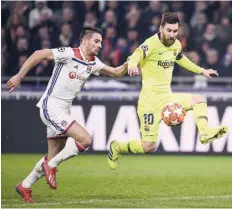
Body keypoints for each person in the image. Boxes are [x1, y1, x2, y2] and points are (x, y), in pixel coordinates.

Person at [7, 26, 128, 202]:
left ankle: (24, 186)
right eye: (96, 41)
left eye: (101, 42)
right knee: (85, 139)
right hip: (51, 106)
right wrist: (19, 76)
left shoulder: (94, 63)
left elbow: (117, 72)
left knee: (53, 155)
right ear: (85, 41)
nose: (100, 45)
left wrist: (130, 63)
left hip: (63, 109)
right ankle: (52, 166)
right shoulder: (69, 53)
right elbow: (38, 54)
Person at [107, 12, 228, 170]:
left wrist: (202, 71)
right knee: (148, 147)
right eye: (168, 30)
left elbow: (181, 59)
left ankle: (204, 132)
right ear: (161, 28)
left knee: (199, 99)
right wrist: (132, 65)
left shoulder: (176, 44)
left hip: (167, 98)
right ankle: (117, 147)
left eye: (175, 31)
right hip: (149, 104)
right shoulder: (150, 44)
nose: (171, 34)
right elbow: (137, 54)